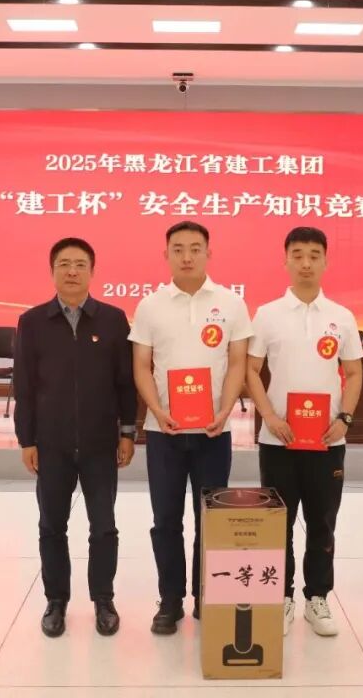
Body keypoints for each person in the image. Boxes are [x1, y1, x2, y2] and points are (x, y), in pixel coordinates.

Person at [129, 220, 252, 635]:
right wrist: (156, 410)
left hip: (214, 432)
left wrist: (226, 409)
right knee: (165, 519)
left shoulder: (232, 303)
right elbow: (141, 366)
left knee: (210, 519)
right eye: (178, 249)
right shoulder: (150, 306)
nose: (187, 256)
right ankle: (169, 601)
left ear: (208, 253)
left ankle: (206, 596)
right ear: (165, 255)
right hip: (163, 432)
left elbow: (237, 363)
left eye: (195, 249)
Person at [14, 237, 137, 638]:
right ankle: (56, 600)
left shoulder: (113, 320)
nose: (72, 271)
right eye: (64, 264)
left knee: (104, 527)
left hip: (101, 445)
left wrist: (127, 432)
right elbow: (24, 386)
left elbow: (125, 382)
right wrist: (26, 440)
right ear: (52, 271)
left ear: (92, 271)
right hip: (51, 445)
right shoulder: (33, 322)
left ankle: (103, 599)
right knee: (52, 526)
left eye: (80, 264)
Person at [246, 226, 363, 637]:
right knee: (278, 522)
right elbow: (251, 370)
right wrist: (269, 417)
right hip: (278, 439)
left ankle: (317, 597)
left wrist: (344, 419)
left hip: (327, 440)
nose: (306, 263)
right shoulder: (267, 314)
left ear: (326, 261)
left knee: (322, 523)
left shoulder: (341, 317)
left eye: (314, 255)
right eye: (298, 255)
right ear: (286, 261)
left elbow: (354, 373)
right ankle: (281, 597)